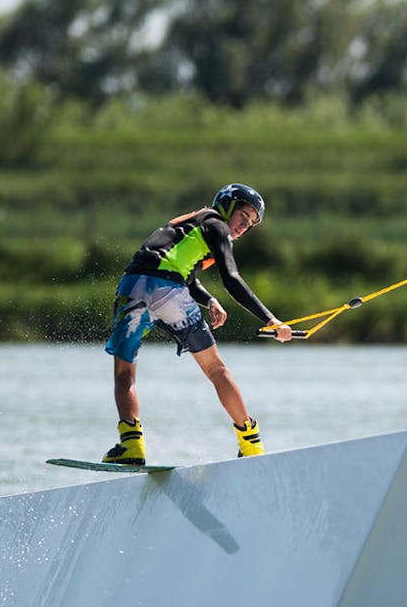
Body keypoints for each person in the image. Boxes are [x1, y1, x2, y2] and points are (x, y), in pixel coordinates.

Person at [102, 182, 293, 465]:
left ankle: (131, 445)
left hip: (132, 287)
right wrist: (271, 319)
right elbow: (231, 277)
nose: (243, 226)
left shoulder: (191, 224)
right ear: (227, 206)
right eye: (243, 215)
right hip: (168, 291)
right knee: (216, 368)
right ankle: (251, 444)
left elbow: (180, 269)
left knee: (124, 372)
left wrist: (209, 300)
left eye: (251, 223)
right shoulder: (217, 226)